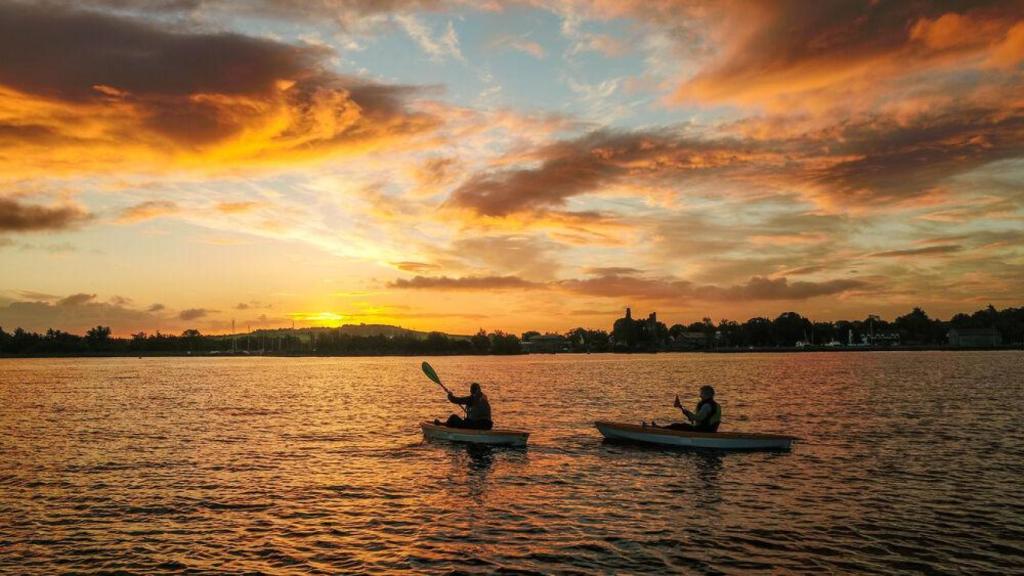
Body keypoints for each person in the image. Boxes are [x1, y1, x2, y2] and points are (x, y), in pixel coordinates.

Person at [647, 385, 721, 432]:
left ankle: (659, 430)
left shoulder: (706, 406)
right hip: (709, 430)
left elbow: (699, 418)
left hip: (703, 431)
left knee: (677, 426)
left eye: (701, 393)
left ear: (707, 394)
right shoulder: (716, 405)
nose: (700, 396)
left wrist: (688, 413)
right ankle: (660, 428)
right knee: (680, 426)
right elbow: (698, 418)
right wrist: (688, 414)